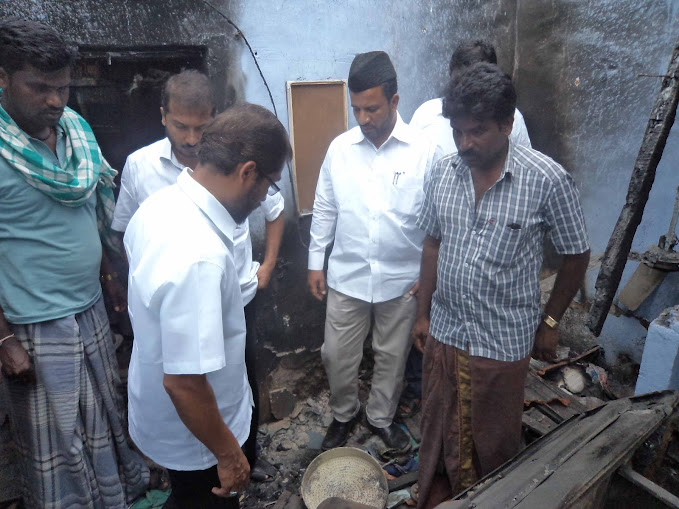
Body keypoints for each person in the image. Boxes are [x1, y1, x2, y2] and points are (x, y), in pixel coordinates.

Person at [412, 62, 590, 509]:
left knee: (492, 440)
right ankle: (439, 495)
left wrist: (550, 322)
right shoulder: (443, 172)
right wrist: (422, 313)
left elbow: (576, 254)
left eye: (477, 132)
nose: (464, 144)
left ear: (507, 125)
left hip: (501, 341)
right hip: (446, 330)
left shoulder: (546, 179)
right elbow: (432, 243)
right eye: (457, 132)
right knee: (439, 423)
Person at [0, 18, 148, 508]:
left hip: (90, 310)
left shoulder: (76, 133)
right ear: (3, 78)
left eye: (62, 87)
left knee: (104, 420)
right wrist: (3, 339)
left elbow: (93, 213)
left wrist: (110, 278)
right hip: (34, 325)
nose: (55, 100)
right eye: (39, 87)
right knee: (59, 446)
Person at [111, 70, 285, 472]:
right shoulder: (200, 257)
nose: (265, 197)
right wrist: (229, 456)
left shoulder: (160, 205)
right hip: (198, 441)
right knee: (202, 498)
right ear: (247, 172)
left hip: (168, 418)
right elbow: (185, 384)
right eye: (269, 184)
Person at [308, 51, 437, 451]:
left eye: (372, 108)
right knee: (336, 355)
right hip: (347, 276)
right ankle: (344, 414)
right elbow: (325, 206)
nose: (362, 118)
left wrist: (428, 277)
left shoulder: (425, 151)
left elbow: (439, 219)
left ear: (394, 101)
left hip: (403, 280)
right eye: (356, 109)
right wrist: (315, 262)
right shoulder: (340, 149)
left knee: (392, 357)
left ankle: (380, 417)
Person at [410, 39, 531, 156]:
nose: (465, 145)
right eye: (460, 82)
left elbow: (524, 160)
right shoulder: (427, 114)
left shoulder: (510, 115)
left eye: (478, 131)